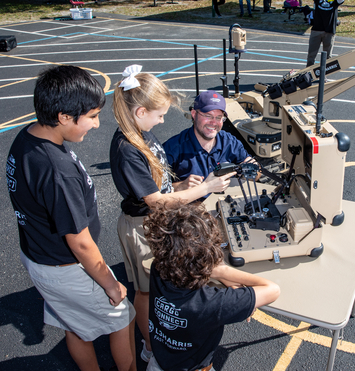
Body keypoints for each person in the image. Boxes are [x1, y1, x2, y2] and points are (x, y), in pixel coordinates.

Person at [6, 65, 136, 371]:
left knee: (76, 326)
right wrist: (110, 284)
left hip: (41, 257)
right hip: (67, 268)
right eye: (91, 116)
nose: (96, 124)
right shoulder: (57, 172)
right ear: (64, 117)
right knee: (122, 317)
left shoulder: (28, 138)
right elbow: (80, 243)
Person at [109, 65, 234, 364]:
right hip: (142, 226)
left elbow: (157, 188)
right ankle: (151, 348)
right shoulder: (128, 148)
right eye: (160, 114)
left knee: (158, 284)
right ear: (140, 112)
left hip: (153, 222)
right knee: (145, 291)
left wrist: (178, 184)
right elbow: (158, 203)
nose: (163, 119)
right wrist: (206, 186)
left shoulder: (143, 134)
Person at [143, 201, 281, 371]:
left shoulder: (158, 270)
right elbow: (273, 290)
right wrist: (221, 272)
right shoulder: (213, 303)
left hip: (158, 363)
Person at [163, 90, 254, 194]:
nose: (213, 122)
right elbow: (153, 194)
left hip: (226, 205)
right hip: (191, 208)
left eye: (219, 117)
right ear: (194, 114)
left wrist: (250, 170)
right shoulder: (172, 149)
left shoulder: (229, 142)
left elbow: (255, 172)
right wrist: (180, 186)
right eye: (208, 116)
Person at [306, 0, 344, 67]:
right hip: (316, 29)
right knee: (311, 55)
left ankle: (324, 74)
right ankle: (308, 73)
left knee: (327, 57)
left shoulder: (335, 1)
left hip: (329, 30)